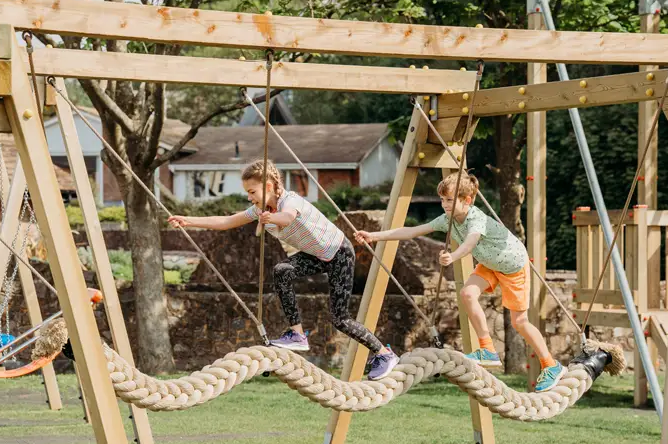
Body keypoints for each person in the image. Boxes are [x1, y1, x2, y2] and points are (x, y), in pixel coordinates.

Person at [167, 159, 400, 380]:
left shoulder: (291, 201)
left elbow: (287, 217)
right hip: (315, 255)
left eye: (252, 192)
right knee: (282, 270)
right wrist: (188, 220)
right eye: (247, 192)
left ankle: (383, 353)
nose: (249, 198)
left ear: (268, 186)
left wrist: (272, 217)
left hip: (338, 253)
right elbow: (227, 221)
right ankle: (297, 334)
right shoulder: (259, 211)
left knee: (340, 319)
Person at [354, 172, 566, 392]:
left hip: (513, 266)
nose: (444, 204)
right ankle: (487, 350)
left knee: (520, 322)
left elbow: (470, 242)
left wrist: (454, 257)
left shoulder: (476, 219)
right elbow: (412, 231)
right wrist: (374, 236)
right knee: (467, 294)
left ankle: (551, 365)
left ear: (467, 200)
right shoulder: (447, 220)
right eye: (443, 200)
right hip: (490, 264)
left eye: (449, 200)